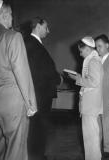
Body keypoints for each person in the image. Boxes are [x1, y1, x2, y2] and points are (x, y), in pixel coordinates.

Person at [0, 1, 37, 160]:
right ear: (5, 15)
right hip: (12, 105)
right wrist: (30, 103)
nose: (12, 19)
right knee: (16, 150)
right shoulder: (12, 37)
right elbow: (22, 72)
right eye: (11, 15)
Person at [24, 17, 62, 158]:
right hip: (40, 94)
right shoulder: (32, 44)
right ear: (38, 26)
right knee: (39, 127)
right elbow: (42, 71)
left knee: (36, 127)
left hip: (38, 93)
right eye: (46, 27)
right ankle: (37, 155)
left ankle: (35, 153)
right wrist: (58, 78)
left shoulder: (30, 43)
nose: (48, 31)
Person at [68, 36, 103, 160]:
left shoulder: (93, 61)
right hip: (91, 105)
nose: (80, 53)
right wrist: (79, 76)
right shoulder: (93, 59)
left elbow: (94, 82)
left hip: (90, 105)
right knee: (91, 139)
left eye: (81, 50)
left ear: (87, 49)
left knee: (91, 140)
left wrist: (77, 79)